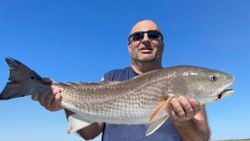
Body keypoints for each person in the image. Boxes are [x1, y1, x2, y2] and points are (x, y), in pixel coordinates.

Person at [32, 19, 210, 141]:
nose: (146, 40)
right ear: (129, 46)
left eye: (153, 35)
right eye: (138, 36)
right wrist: (64, 102)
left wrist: (182, 120)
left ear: (162, 42)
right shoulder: (110, 78)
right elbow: (90, 133)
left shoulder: (184, 83)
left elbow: (200, 138)